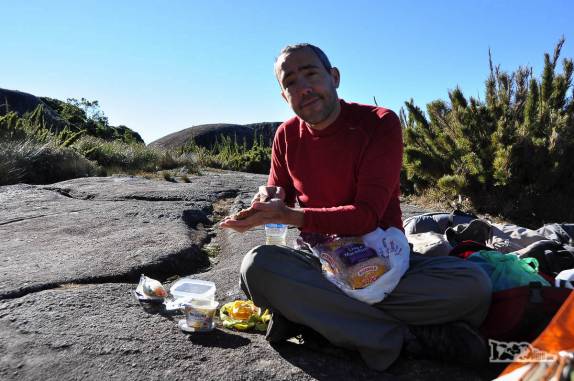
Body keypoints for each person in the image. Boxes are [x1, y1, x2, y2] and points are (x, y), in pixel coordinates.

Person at [220, 43, 492, 371]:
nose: (303, 88)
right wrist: (263, 205)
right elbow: (278, 196)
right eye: (290, 82)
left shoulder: (378, 123)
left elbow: (366, 216)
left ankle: (320, 320)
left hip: (381, 257)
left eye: (311, 74)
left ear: (334, 77)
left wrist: (291, 216)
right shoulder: (286, 136)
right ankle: (405, 337)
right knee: (257, 267)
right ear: (283, 96)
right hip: (321, 260)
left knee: (473, 286)